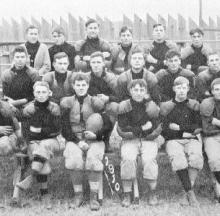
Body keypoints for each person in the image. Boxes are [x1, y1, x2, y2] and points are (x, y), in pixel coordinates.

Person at [60, 72, 109, 211]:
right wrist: (77, 141)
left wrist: (97, 135)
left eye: (83, 85)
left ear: (87, 86)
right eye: (78, 85)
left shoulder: (95, 102)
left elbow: (108, 125)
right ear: (73, 86)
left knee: (93, 159)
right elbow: (64, 127)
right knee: (74, 159)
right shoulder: (67, 102)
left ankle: (93, 197)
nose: (81, 87)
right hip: (74, 139)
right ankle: (78, 195)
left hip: (94, 139)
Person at [15, 81, 61, 209]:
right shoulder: (28, 109)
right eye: (38, 92)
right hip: (33, 142)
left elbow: (57, 129)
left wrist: (39, 130)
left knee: (44, 147)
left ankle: (31, 177)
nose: (41, 95)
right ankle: (45, 195)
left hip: (52, 141)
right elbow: (25, 132)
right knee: (41, 159)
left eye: (44, 92)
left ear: (49, 93)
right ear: (34, 93)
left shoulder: (54, 108)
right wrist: (35, 136)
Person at [117, 79, 162, 207]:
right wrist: (142, 128)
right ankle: (127, 193)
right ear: (130, 91)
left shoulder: (150, 105)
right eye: (135, 90)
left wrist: (147, 130)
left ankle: (152, 192)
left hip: (148, 139)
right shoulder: (124, 105)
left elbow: (155, 125)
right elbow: (123, 127)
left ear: (146, 91)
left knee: (149, 160)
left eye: (141, 90)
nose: (138, 92)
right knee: (127, 158)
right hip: (130, 140)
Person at [160, 76, 203, 206]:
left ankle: (186, 193)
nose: (181, 91)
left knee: (196, 158)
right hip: (173, 140)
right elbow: (165, 129)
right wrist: (184, 132)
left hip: (192, 139)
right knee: (179, 160)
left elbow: (198, 127)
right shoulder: (167, 106)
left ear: (188, 88)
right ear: (174, 89)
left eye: (184, 87)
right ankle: (191, 193)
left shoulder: (194, 104)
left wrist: (179, 128)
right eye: (178, 87)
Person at [87, 51, 119, 152]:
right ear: (90, 64)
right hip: (91, 104)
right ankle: (89, 138)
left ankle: (106, 139)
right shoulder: (86, 77)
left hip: (106, 105)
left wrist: (108, 98)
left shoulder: (110, 78)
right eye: (93, 62)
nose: (96, 65)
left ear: (103, 63)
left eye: (98, 62)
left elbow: (119, 96)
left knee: (113, 108)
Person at [200, 78, 220, 202]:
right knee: (214, 159)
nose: (219, 92)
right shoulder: (207, 103)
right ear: (212, 91)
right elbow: (207, 127)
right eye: (217, 89)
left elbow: (212, 122)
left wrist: (216, 121)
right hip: (212, 136)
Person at [2, 45, 40, 110]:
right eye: (17, 57)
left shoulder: (33, 73)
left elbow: (36, 94)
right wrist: (11, 104)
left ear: (26, 58)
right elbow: (5, 94)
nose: (20, 59)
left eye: (22, 57)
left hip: (29, 104)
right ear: (13, 58)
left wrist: (17, 102)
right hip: (11, 104)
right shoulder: (6, 74)